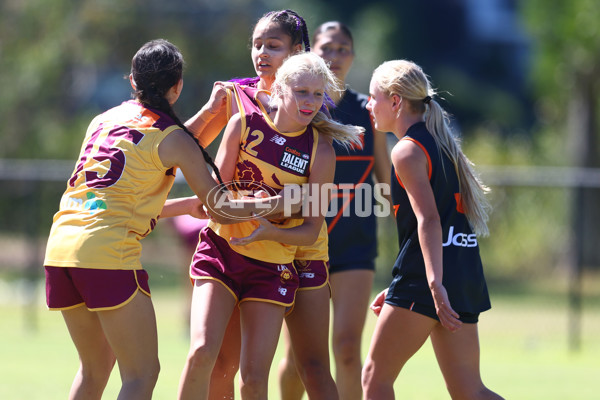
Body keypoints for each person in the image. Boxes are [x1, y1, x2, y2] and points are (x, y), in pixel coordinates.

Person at [42, 39, 296, 400]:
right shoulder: (172, 138)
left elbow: (112, 201)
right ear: (177, 87)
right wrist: (279, 203)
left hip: (60, 250)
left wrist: (185, 205)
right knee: (142, 374)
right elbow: (221, 206)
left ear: (132, 80)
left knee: (95, 366)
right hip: (106, 255)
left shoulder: (102, 120)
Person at [177, 52, 362, 400]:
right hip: (221, 253)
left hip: (273, 264)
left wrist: (272, 230)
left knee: (253, 379)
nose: (310, 102)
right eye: (301, 91)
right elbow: (215, 204)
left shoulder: (321, 152)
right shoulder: (242, 124)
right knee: (203, 355)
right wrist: (275, 205)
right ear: (279, 87)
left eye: (317, 94)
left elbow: (309, 230)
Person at [360, 60, 504, 400]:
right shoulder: (441, 143)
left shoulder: (407, 150)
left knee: (374, 379)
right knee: (470, 391)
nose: (369, 105)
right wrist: (409, 284)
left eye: (373, 97)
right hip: (462, 269)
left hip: (430, 279)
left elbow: (429, 221)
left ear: (395, 102)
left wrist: (431, 284)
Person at [277, 21, 392, 400]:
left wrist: (416, 216)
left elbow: (386, 178)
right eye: (327, 48)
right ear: (311, 53)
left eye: (343, 49)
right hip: (302, 244)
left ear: (353, 56)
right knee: (299, 355)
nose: (335, 56)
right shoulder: (301, 106)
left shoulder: (367, 110)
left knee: (345, 347)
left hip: (354, 245)